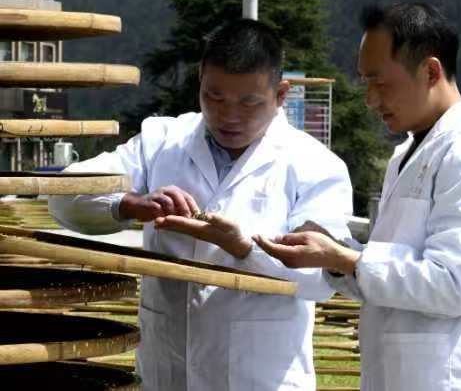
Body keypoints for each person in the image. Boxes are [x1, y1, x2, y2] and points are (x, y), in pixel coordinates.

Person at [48, 19, 353, 391]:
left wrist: (243, 248)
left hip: (261, 379)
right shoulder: (161, 140)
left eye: (249, 102)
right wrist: (129, 205)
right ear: (200, 82)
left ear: (280, 94)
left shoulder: (315, 164)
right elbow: (64, 194)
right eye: (214, 97)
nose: (229, 115)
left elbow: (323, 279)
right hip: (167, 371)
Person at [256, 3, 461, 391]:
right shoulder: (408, 153)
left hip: (457, 377)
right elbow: (390, 267)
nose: (370, 99)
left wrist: (346, 259)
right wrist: (336, 256)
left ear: (430, 71)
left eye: (380, 83)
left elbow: (454, 284)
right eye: (365, 83)